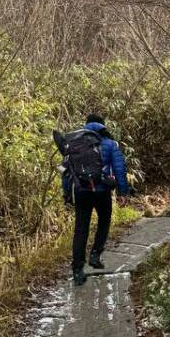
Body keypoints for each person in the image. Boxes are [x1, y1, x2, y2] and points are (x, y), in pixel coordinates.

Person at [59, 113, 130, 286]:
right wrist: (123, 192)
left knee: (80, 230)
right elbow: (119, 169)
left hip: (81, 191)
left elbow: (66, 172)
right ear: (102, 126)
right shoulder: (110, 144)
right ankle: (95, 255)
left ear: (87, 125)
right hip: (102, 191)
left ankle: (77, 270)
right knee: (104, 222)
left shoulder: (75, 143)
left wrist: (67, 194)